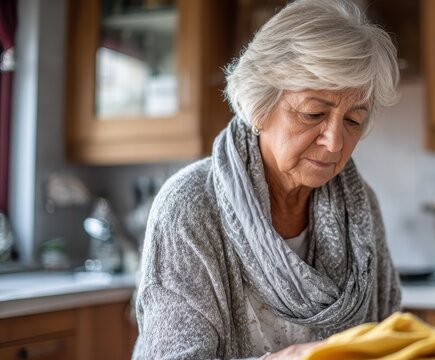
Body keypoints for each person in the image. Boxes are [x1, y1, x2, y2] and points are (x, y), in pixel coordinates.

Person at [133, 0, 401, 358]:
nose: (335, 142)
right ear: (261, 105)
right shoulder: (189, 209)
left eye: (353, 120)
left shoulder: (359, 204)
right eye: (314, 113)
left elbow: (389, 333)